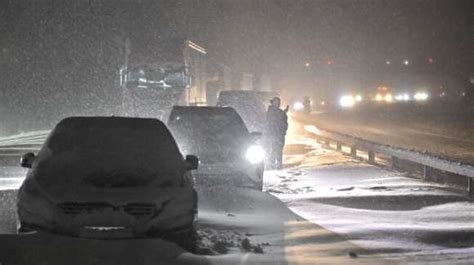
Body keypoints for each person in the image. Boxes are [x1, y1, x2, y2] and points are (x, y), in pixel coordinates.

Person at [266, 97, 288, 169]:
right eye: (276, 102)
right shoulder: (271, 112)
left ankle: (278, 164)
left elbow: (283, 121)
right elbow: (272, 122)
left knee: (279, 149)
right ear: (273, 103)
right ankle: (273, 164)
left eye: (278, 102)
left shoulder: (279, 111)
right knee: (274, 149)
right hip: (274, 134)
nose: (278, 104)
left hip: (280, 134)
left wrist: (284, 113)